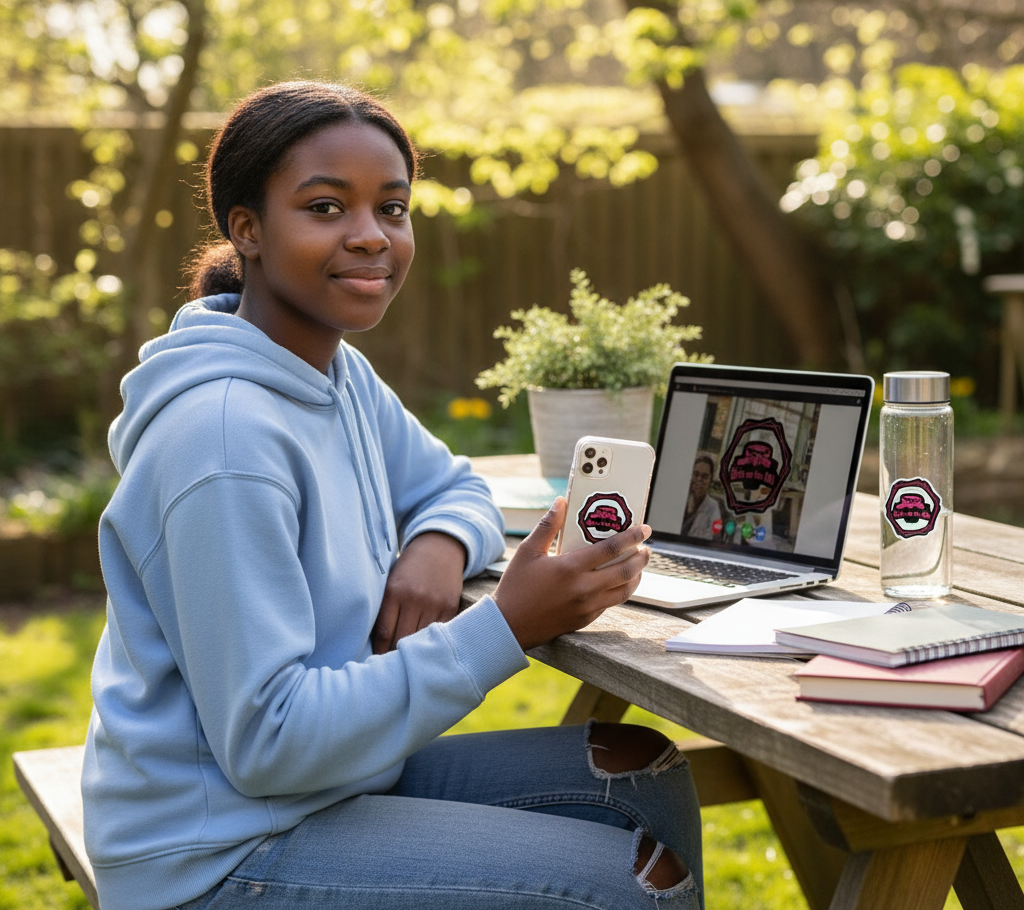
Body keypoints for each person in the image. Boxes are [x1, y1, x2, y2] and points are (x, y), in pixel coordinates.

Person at [82, 81, 704, 910]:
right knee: (630, 890)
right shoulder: (223, 441)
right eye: (326, 207)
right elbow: (267, 740)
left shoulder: (333, 373)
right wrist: (507, 625)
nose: (371, 237)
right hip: (215, 848)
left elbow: (455, 485)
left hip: (324, 783)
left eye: (394, 207)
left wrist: (437, 545)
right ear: (248, 230)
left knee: (643, 775)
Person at [681, 454, 722, 541]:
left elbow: (713, 536)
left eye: (704, 477)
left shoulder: (713, 507)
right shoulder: (680, 499)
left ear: (710, 480)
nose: (699, 479)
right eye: (696, 474)